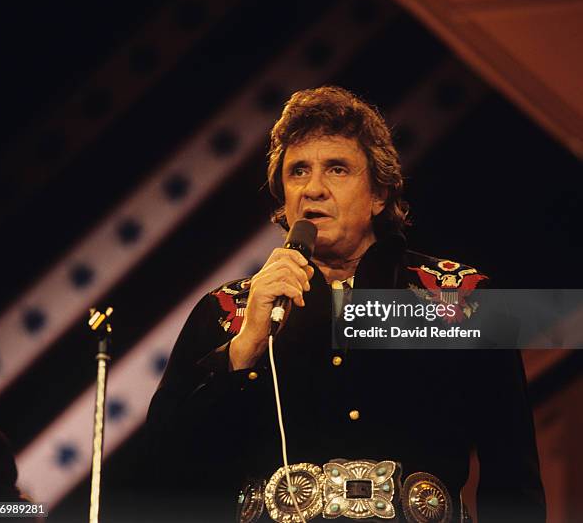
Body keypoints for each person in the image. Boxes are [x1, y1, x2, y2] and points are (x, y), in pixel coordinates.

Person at [144, 87, 545, 522]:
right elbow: (162, 470)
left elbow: (512, 476)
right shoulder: (228, 310)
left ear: (379, 195)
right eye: (298, 172)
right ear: (284, 196)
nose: (313, 188)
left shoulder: (461, 296)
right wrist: (242, 350)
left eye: (337, 169)